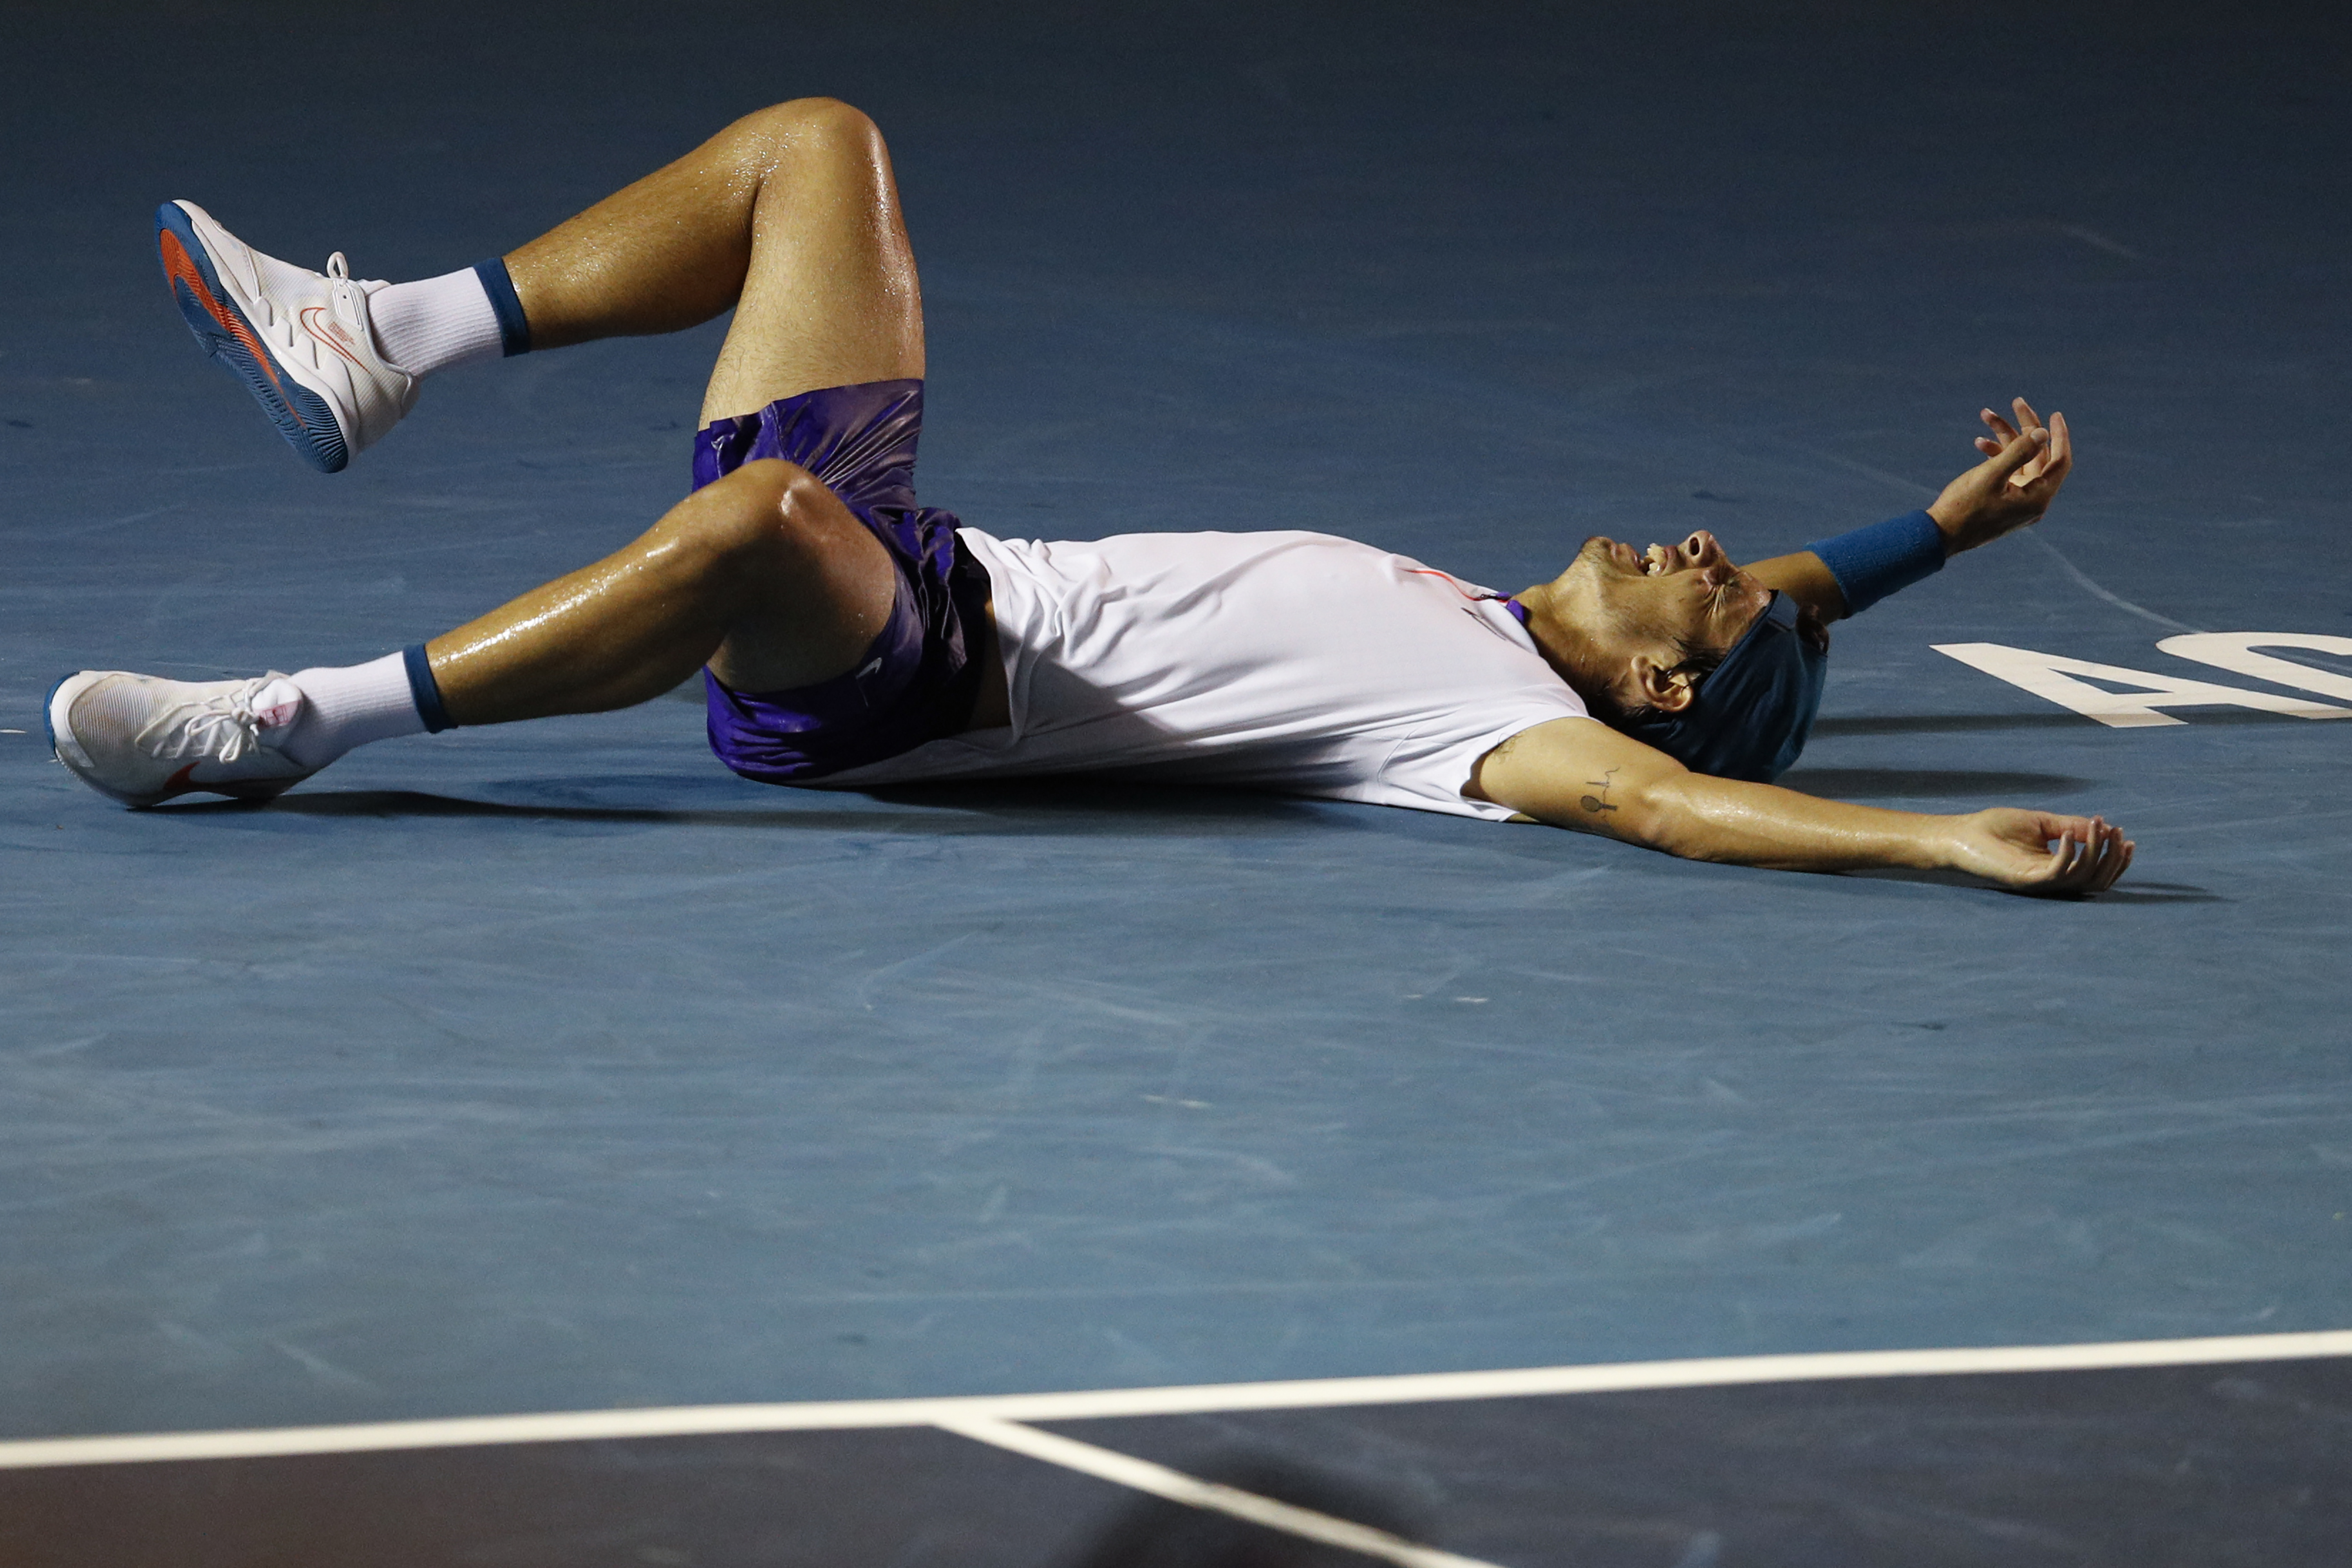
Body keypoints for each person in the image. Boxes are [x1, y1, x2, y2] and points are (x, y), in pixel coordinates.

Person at [47, 98, 2131, 895]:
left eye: (1721, 601)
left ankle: (283, 725)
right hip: (927, 571)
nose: (1714, 549)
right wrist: (1932, 539)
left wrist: (1939, 836)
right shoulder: (1552, 630)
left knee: (760, 527)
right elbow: (1763, 604)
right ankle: (387, 339)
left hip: (900, 688)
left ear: (1661, 690)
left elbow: (1685, 799)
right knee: (816, 151)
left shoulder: (1485, 729)